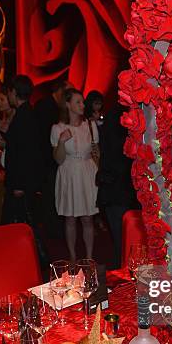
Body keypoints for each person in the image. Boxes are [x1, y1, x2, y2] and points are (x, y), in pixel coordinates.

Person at [51, 88, 99, 262]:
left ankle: (89, 257)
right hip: (69, 173)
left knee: (87, 218)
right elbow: (58, 159)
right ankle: (72, 256)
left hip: (87, 172)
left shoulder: (90, 126)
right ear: (67, 104)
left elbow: (96, 152)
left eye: (82, 101)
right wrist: (62, 142)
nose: (82, 105)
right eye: (78, 102)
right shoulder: (58, 128)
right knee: (70, 218)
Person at [97, 104, 138, 268]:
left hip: (117, 187)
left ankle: (122, 278)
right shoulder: (119, 116)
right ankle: (122, 280)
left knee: (122, 240)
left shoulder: (116, 115)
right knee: (123, 240)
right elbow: (118, 153)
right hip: (119, 187)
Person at [34, 80, 73, 237]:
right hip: (48, 162)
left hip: (54, 160)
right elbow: (43, 140)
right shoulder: (45, 106)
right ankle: (53, 231)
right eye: (68, 91)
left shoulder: (56, 107)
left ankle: (56, 229)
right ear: (60, 91)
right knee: (51, 197)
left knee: (57, 197)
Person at [1, 75, 42, 225]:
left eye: (9, 92)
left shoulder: (24, 116)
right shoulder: (26, 113)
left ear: (14, 92)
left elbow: (25, 153)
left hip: (20, 183)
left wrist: (19, 185)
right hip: (21, 182)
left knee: (19, 224)